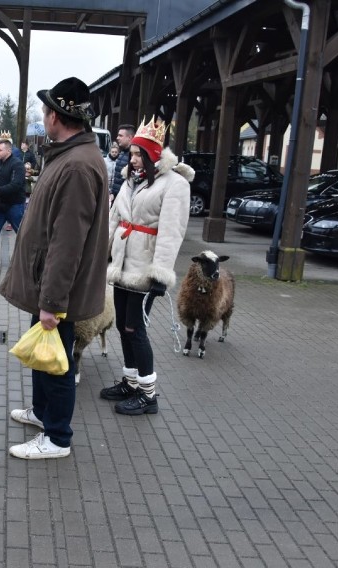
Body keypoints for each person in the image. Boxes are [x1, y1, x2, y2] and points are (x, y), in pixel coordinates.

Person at [0, 77, 109, 460]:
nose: (44, 117)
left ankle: (58, 437)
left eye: (46, 110)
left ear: (55, 116)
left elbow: (67, 242)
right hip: (46, 281)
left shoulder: (77, 166)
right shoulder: (67, 155)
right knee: (43, 355)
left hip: (58, 287)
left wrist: (51, 299)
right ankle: (43, 414)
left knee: (58, 362)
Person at [103, 116, 193, 415]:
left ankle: (148, 394)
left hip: (145, 268)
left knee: (135, 328)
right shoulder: (131, 179)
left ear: (155, 155)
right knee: (122, 326)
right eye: (133, 153)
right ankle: (130, 382)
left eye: (140, 154)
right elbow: (115, 216)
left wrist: (160, 274)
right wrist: (105, 251)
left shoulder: (175, 184)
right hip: (123, 264)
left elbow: (172, 231)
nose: (134, 158)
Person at [110, 124, 135, 201]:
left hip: (125, 199)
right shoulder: (122, 153)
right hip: (116, 197)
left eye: (120, 136)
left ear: (129, 137)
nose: (117, 138)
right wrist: (113, 193)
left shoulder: (133, 156)